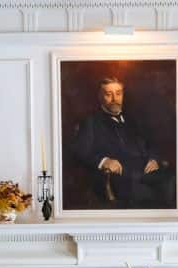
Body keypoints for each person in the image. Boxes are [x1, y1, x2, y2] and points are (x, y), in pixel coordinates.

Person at [69, 77, 171, 208]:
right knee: (150, 196)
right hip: (121, 178)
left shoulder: (133, 119)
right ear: (100, 97)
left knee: (171, 181)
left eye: (118, 93)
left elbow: (150, 143)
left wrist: (153, 159)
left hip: (147, 171)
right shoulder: (91, 122)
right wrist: (104, 161)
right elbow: (80, 152)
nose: (114, 99)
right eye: (108, 94)